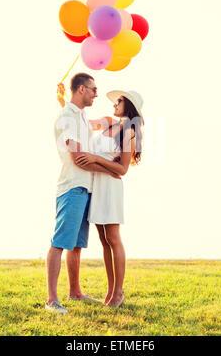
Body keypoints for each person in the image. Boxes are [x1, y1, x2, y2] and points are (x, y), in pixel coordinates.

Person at [45, 73, 120, 314]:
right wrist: (110, 169)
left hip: (85, 188)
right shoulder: (67, 117)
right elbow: (78, 158)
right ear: (80, 90)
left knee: (76, 245)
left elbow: (108, 121)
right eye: (93, 89)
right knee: (60, 243)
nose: (96, 93)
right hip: (72, 187)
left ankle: (75, 292)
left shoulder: (80, 116)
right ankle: (51, 301)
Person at [75, 90, 144, 308]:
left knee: (113, 238)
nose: (115, 103)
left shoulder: (128, 132)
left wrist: (96, 158)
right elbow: (82, 123)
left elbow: (122, 169)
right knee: (104, 240)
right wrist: (63, 103)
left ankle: (118, 292)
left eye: (120, 101)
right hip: (97, 185)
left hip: (111, 188)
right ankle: (110, 291)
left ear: (129, 106)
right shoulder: (106, 122)